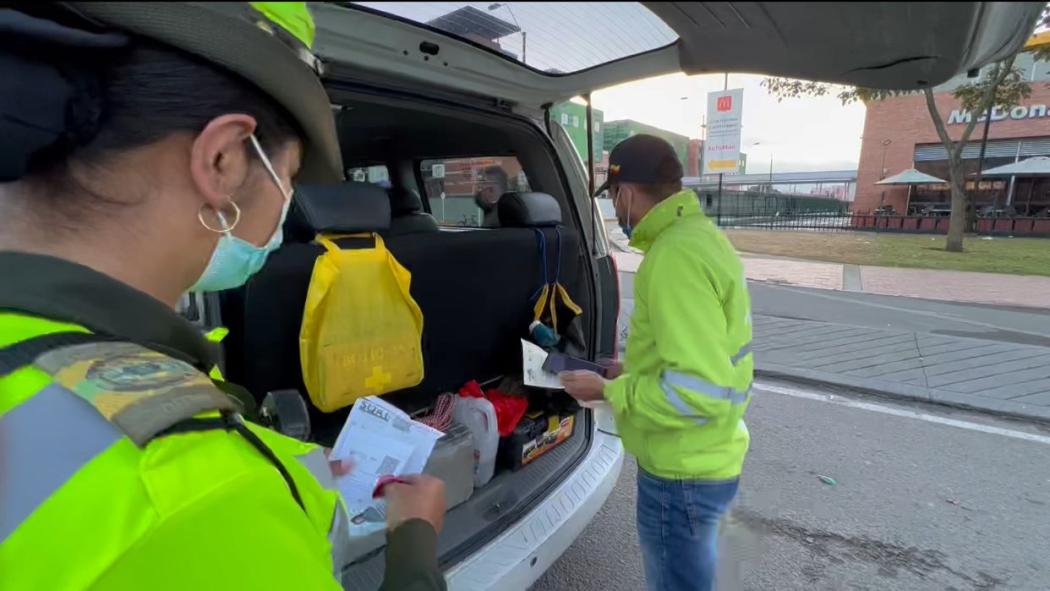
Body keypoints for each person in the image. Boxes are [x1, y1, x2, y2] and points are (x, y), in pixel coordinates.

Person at [0, 4, 445, 590]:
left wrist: (299, 462)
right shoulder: (204, 493)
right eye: (290, 176)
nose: (288, 208)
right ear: (224, 161)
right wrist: (413, 540)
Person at [560, 134, 753, 591]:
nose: (616, 211)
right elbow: (707, 361)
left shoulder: (673, 258)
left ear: (625, 194)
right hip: (709, 456)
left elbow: (694, 391)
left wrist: (607, 391)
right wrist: (632, 372)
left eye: (613, 199)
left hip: (680, 471)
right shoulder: (702, 239)